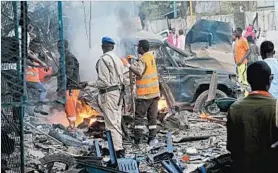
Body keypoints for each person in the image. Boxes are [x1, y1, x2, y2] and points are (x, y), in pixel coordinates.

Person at [227, 61, 278, 173]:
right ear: (270, 79)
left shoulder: (235, 108)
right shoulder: (276, 107)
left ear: (248, 80)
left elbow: (231, 147)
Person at [85, 37, 125, 157]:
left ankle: (118, 150)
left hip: (108, 94)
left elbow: (103, 83)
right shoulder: (118, 59)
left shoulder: (103, 60)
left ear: (103, 47)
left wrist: (88, 83)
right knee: (115, 120)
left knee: (111, 123)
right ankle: (109, 147)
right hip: (118, 94)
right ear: (112, 47)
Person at [121, 40, 160, 146]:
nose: (137, 48)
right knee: (152, 118)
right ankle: (152, 139)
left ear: (141, 48)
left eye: (138, 47)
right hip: (154, 94)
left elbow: (139, 71)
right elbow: (144, 65)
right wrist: (135, 59)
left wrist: (128, 65)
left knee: (139, 118)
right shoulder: (150, 56)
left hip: (145, 95)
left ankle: (138, 140)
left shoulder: (143, 59)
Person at [57, 40, 82, 131]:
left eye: (61, 47)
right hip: (67, 87)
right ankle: (71, 125)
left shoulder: (69, 57)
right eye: (58, 48)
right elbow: (61, 72)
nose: (59, 50)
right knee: (68, 106)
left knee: (70, 106)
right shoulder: (63, 57)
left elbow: (68, 73)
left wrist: (61, 87)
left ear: (66, 47)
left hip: (71, 86)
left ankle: (72, 127)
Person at [26, 39, 49, 115]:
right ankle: (39, 106)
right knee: (43, 90)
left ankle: (30, 113)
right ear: (31, 45)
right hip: (31, 78)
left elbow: (45, 59)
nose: (37, 48)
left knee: (28, 96)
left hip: (29, 79)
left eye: (38, 47)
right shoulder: (29, 53)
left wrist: (41, 50)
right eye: (36, 46)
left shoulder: (34, 54)